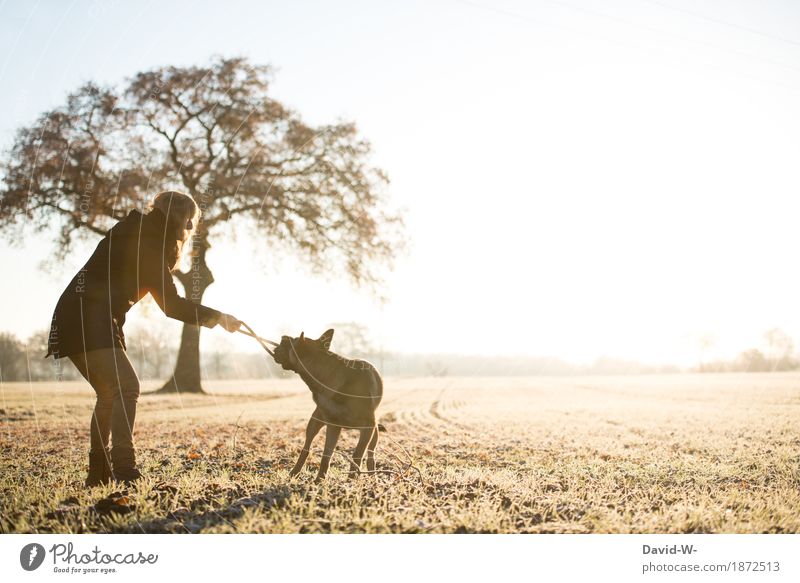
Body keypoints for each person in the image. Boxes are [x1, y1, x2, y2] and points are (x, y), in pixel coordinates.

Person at [46, 191, 242, 486]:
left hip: (78, 315)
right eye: (188, 222)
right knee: (127, 386)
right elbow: (172, 306)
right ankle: (124, 467)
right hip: (88, 316)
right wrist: (219, 318)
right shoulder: (148, 241)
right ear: (177, 217)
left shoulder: (138, 230)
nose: (189, 229)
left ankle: (98, 473)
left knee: (109, 394)